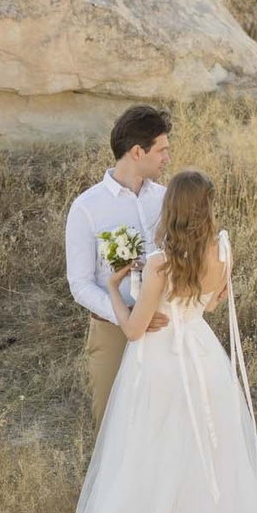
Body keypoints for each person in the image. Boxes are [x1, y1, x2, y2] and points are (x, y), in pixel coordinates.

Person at [15, 169, 257, 513]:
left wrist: (114, 289)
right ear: (206, 209)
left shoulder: (158, 264)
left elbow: (134, 330)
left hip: (160, 365)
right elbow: (210, 305)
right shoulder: (223, 251)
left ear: (171, 208)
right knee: (207, 456)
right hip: (203, 358)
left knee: (154, 458)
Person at [65, 105, 173, 426]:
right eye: (162, 150)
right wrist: (126, 317)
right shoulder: (87, 208)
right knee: (111, 428)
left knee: (161, 425)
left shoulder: (167, 199)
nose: (167, 158)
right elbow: (80, 283)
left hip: (163, 328)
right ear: (138, 151)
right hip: (112, 332)